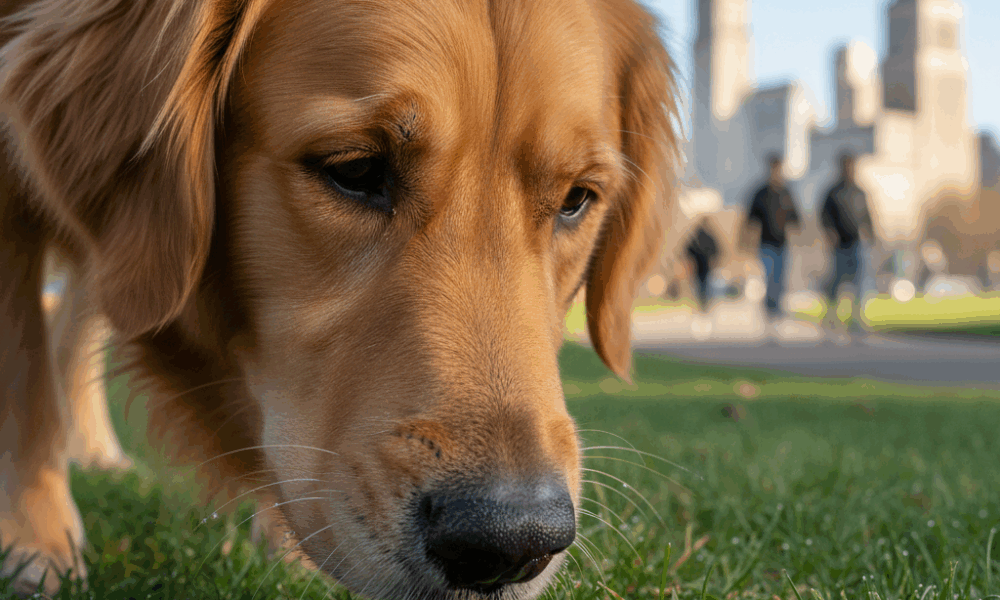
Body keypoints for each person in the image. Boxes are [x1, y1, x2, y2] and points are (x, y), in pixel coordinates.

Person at [820, 152, 874, 340]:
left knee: (860, 282)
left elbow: (867, 217)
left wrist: (872, 236)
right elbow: (824, 216)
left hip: (857, 243)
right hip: (839, 245)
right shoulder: (833, 192)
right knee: (837, 282)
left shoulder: (859, 192)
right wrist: (828, 231)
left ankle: (856, 318)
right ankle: (831, 316)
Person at [745, 154, 801, 322]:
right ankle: (769, 308)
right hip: (765, 244)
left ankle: (776, 307)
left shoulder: (786, 193)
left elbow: (795, 218)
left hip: (782, 243)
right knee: (769, 276)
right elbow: (751, 220)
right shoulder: (761, 193)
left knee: (780, 277)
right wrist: (748, 241)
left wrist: (798, 236)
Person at [685, 220, 719, 313]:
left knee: (702, 287)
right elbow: (688, 252)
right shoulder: (705, 237)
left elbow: (688, 252)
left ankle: (703, 306)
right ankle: (703, 306)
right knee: (702, 287)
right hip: (701, 267)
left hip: (702, 267)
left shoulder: (699, 238)